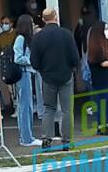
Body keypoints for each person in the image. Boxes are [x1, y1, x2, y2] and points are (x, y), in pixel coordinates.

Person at [31, 8, 79, 149]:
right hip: (65, 76)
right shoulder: (67, 34)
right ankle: (67, 141)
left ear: (44, 19)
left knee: (49, 108)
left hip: (47, 77)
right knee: (66, 110)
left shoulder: (38, 37)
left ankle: (46, 138)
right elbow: (75, 58)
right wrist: (71, 69)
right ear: (56, 17)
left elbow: (34, 61)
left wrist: (42, 70)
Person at [86, 21, 108, 135]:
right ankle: (102, 127)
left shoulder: (105, 45)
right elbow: (101, 62)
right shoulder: (96, 47)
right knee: (103, 103)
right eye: (105, 28)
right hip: (101, 80)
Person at [13, 15, 41, 147]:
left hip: (26, 73)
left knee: (26, 105)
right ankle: (27, 138)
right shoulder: (21, 39)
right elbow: (18, 58)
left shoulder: (23, 38)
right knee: (26, 106)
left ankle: (26, 136)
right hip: (23, 74)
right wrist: (31, 61)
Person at [0, 14, 17, 115]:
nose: (4, 25)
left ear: (12, 24)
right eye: (3, 23)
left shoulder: (17, 34)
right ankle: (15, 106)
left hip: (16, 64)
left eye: (6, 23)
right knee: (10, 89)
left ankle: (19, 107)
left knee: (18, 88)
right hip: (6, 66)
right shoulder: (0, 37)